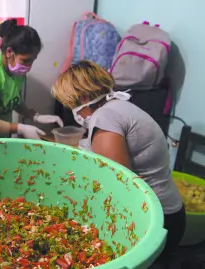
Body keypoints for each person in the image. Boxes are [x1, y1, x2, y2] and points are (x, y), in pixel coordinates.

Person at [52, 60, 185, 267]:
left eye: (70, 104)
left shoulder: (105, 117)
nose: (72, 111)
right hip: (170, 211)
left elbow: (118, 184)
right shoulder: (119, 107)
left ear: (84, 97)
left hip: (157, 220)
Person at [0, 19, 63, 141]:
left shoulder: (15, 70)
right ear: (9, 52)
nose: (29, 67)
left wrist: (33, 115)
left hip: (0, 136)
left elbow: (13, 99)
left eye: (32, 60)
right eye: (25, 60)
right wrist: (20, 128)